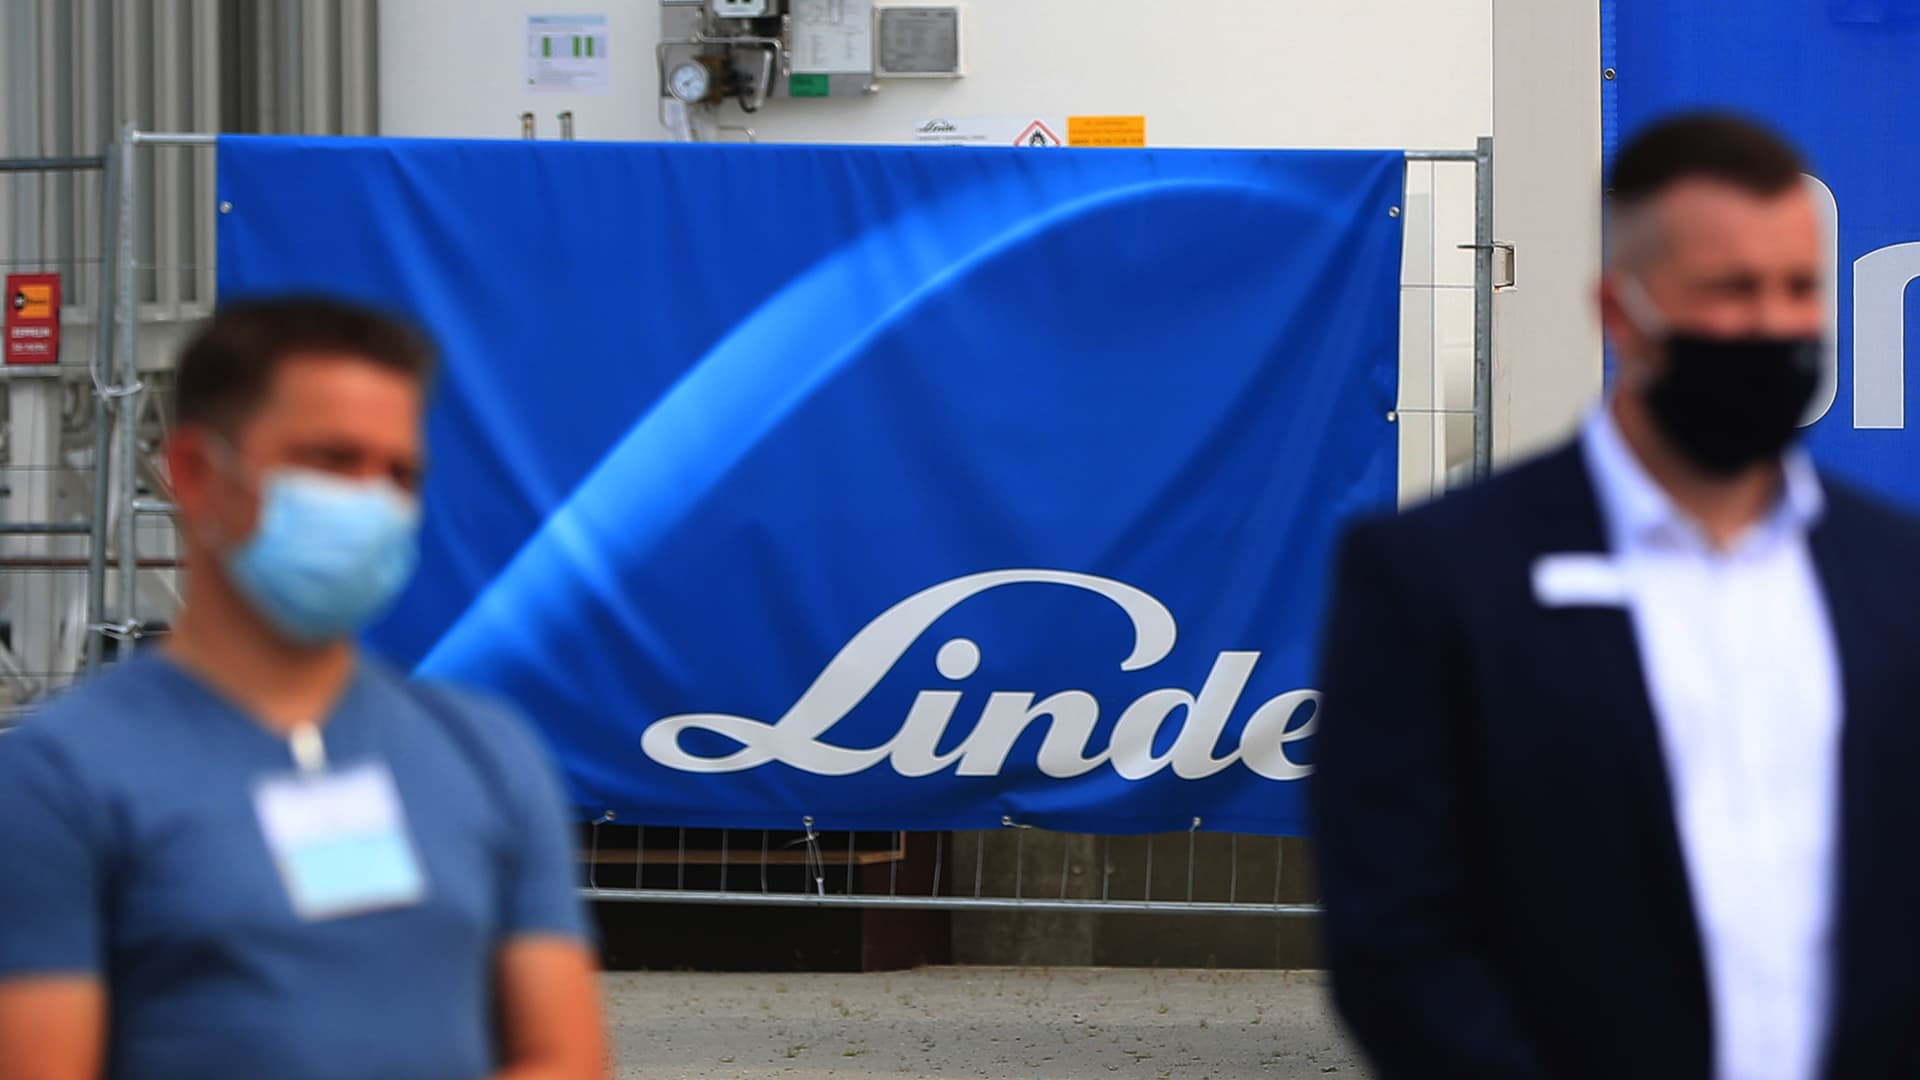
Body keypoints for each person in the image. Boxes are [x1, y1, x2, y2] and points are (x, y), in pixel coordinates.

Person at [1313, 112, 1920, 1080]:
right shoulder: (1437, 578)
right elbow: (1395, 944)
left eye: (1799, 289)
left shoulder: (1895, 575)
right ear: (1621, 312)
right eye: (1731, 289)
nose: (1774, 325)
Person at [0, 297, 607, 1080]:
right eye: (332, 461)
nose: (372, 503)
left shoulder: (489, 753)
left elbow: (566, 1054)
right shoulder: (59, 778)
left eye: (400, 474)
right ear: (196, 473)